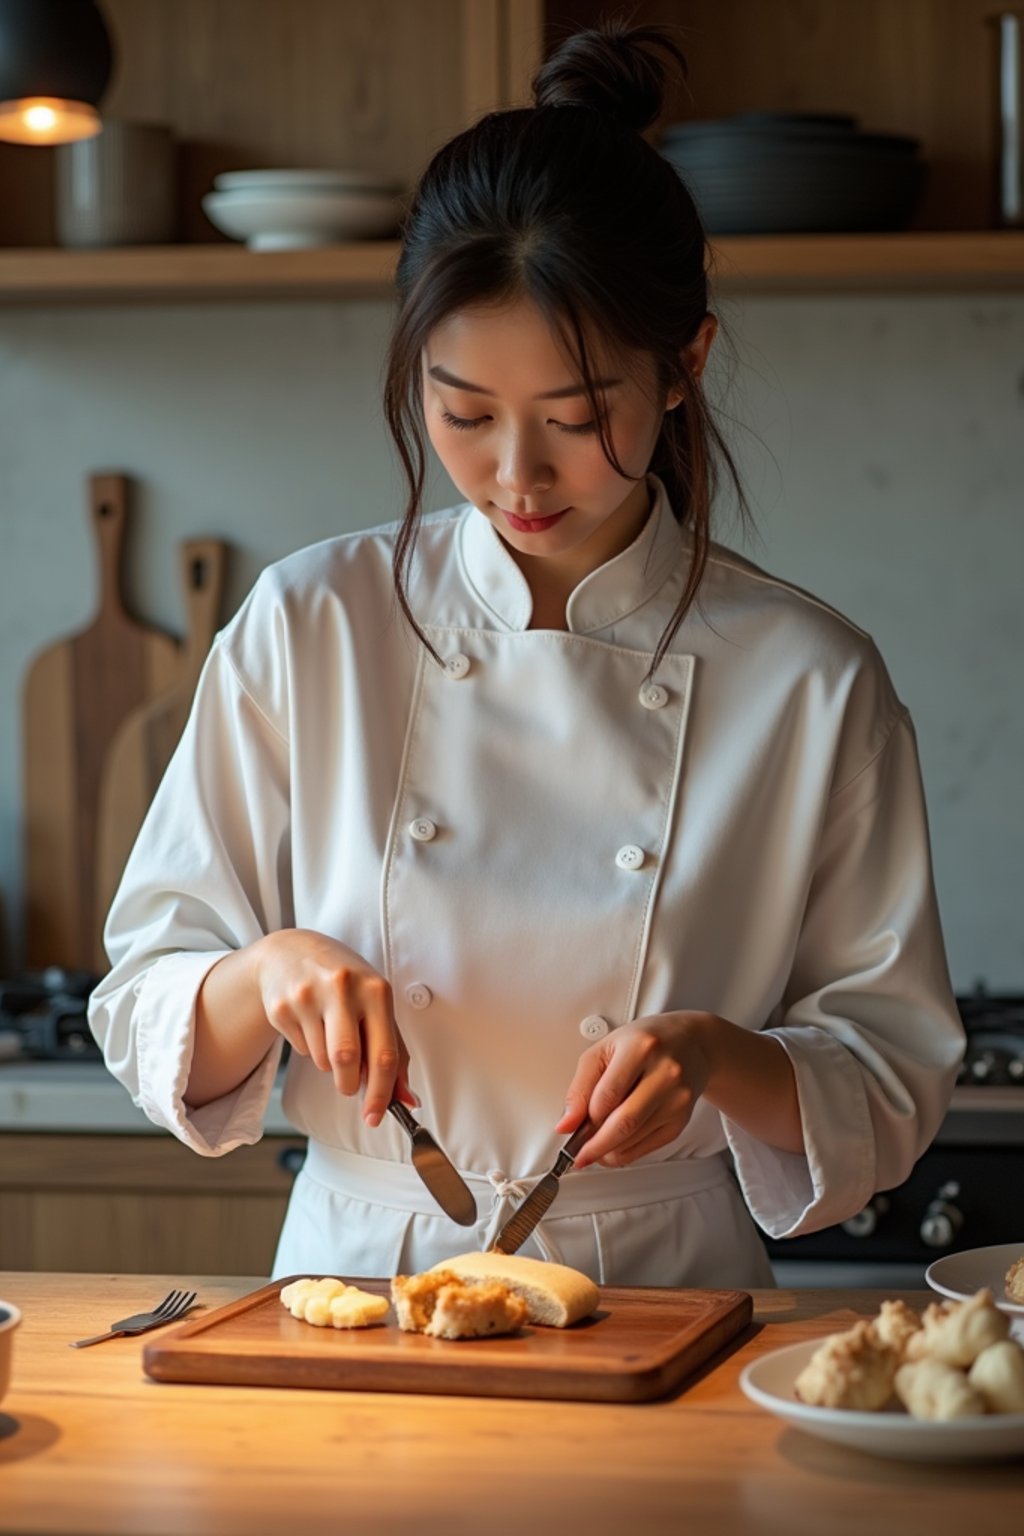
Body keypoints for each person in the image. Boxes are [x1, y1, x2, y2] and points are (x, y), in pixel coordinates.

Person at [87, 23, 964, 1289]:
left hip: (668, 1286)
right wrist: (267, 973)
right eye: (463, 414)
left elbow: (889, 1076)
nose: (516, 474)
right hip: (356, 1278)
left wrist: (717, 1059)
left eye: (576, 416)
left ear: (685, 368)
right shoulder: (310, 623)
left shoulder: (811, 679)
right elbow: (144, 999)